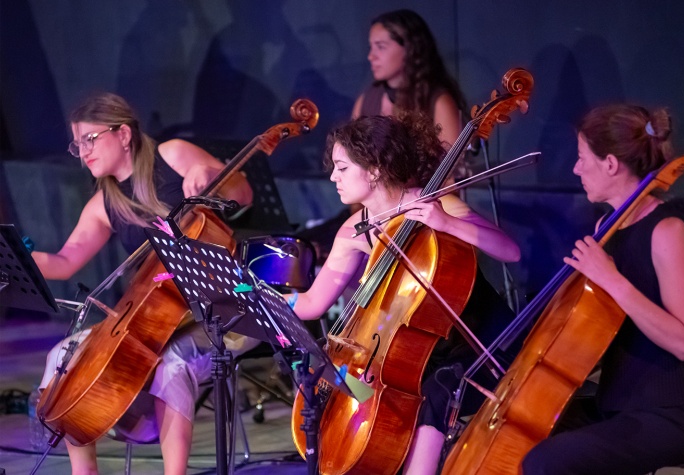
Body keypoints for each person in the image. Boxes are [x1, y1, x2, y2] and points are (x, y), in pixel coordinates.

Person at [289, 111, 521, 475]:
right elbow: (311, 304)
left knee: (432, 393)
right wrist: (257, 295)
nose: (333, 177)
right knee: (337, 381)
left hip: (478, 346)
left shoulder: (435, 205)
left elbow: (510, 251)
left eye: (342, 168)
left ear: (375, 170)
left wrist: (447, 223)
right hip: (409, 353)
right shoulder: (353, 230)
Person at [35, 92, 254, 475]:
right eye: (77, 144)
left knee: (172, 365)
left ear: (123, 134)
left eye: (90, 139)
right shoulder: (104, 204)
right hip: (155, 318)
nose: (83, 152)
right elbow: (64, 262)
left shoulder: (173, 155)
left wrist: (210, 176)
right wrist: (21, 259)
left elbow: (244, 194)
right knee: (60, 359)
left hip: (222, 311)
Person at [521, 105, 684, 474]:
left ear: (610, 164)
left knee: (547, 462)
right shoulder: (606, 229)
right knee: (523, 430)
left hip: (669, 415)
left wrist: (611, 280)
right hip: (615, 404)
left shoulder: (668, 231)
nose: (575, 169)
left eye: (582, 158)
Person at [352, 9, 465, 148]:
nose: (371, 56)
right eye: (371, 47)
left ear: (410, 48)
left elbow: (451, 159)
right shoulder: (366, 99)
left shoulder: (439, 102)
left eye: (380, 47)